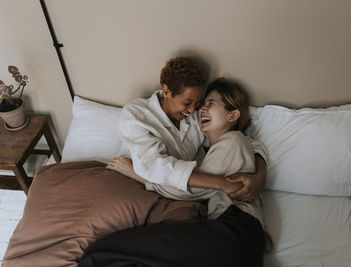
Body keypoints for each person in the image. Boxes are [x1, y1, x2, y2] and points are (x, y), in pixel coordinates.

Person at [78, 57, 269, 267]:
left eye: (201, 103)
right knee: (111, 254)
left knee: (103, 253)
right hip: (226, 230)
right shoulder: (138, 116)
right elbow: (157, 166)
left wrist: (259, 176)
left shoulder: (223, 134)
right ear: (166, 91)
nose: (194, 110)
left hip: (233, 228)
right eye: (189, 103)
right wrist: (227, 181)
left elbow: (188, 189)